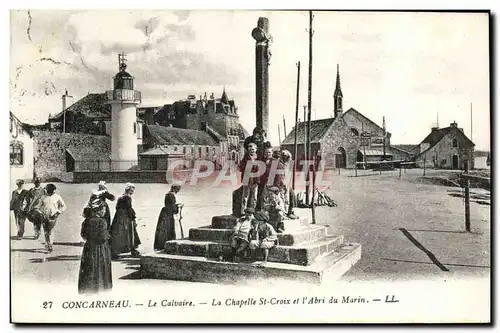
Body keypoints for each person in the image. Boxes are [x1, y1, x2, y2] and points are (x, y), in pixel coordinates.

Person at [78, 199, 113, 294]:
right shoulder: (102, 221)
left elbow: (83, 235)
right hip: (100, 248)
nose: (105, 211)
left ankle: (87, 289)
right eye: (104, 210)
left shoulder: (86, 221)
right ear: (98, 210)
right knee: (100, 268)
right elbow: (103, 237)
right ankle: (100, 289)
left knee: (89, 268)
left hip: (89, 248)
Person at [110, 183, 141, 258]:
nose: (132, 192)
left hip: (118, 216)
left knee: (118, 233)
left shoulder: (121, 197)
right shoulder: (128, 198)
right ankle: (131, 250)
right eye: (131, 190)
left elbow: (117, 207)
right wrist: (133, 217)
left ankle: (115, 251)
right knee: (127, 233)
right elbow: (129, 208)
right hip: (125, 217)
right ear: (128, 190)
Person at [37, 184, 66, 252]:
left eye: (47, 189)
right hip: (44, 217)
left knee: (50, 231)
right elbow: (38, 207)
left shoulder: (57, 197)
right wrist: (41, 213)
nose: (46, 191)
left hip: (53, 217)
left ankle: (50, 245)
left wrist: (57, 213)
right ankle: (48, 244)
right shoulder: (43, 197)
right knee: (46, 231)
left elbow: (64, 206)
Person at [154, 184, 183, 251]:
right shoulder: (171, 195)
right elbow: (172, 207)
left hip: (165, 213)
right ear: (175, 189)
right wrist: (179, 206)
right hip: (168, 214)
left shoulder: (168, 194)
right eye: (177, 190)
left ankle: (163, 244)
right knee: (168, 228)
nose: (177, 191)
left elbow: (170, 205)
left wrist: (177, 205)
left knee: (165, 229)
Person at [238, 142, 260, 216]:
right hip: (247, 179)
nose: (252, 151)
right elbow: (240, 168)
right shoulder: (245, 158)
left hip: (255, 179)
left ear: (256, 149)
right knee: (245, 196)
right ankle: (243, 211)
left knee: (254, 196)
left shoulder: (258, 157)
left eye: (253, 149)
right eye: (250, 149)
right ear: (248, 150)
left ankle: (252, 211)